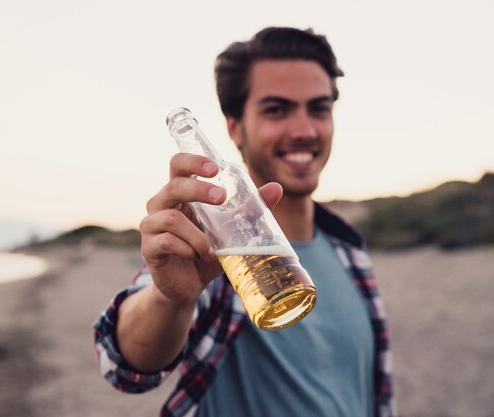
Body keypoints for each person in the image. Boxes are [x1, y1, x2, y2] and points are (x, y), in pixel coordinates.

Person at [94, 27, 395, 417]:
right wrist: (170, 299)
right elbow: (124, 368)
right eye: (276, 110)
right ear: (235, 127)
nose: (304, 130)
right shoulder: (216, 247)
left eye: (318, 108)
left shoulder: (349, 250)